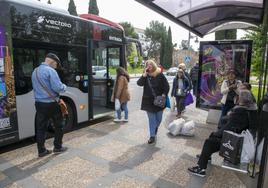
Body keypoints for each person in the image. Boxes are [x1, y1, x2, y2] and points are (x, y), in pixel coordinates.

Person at [188, 90, 257, 177]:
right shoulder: (251, 109)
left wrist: (217, 133)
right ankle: (207, 156)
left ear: (242, 99)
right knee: (212, 139)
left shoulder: (240, 111)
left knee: (209, 141)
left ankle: (201, 169)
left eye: (239, 96)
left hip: (234, 140)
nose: (237, 98)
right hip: (240, 137)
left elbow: (229, 127)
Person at [32, 53, 67, 157]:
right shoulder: (51, 71)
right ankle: (57, 147)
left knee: (41, 128)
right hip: (52, 104)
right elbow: (58, 88)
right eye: (56, 65)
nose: (56, 67)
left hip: (39, 104)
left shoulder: (35, 71)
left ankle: (41, 151)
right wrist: (64, 87)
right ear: (53, 62)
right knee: (59, 125)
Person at [137, 59, 169, 144]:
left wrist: (164, 94)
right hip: (148, 102)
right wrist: (143, 75)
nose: (149, 66)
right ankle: (152, 136)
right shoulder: (146, 76)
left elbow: (166, 86)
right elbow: (139, 83)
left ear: (154, 65)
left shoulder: (160, 75)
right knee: (152, 120)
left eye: (150, 65)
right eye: (147, 65)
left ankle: (155, 128)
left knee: (158, 119)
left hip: (159, 101)